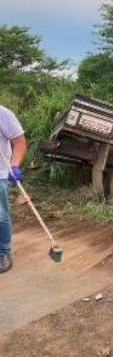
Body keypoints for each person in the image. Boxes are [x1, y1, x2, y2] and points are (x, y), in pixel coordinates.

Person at [0, 104, 27, 273]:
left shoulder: (3, 114)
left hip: (0, 173)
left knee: (0, 215)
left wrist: (15, 165)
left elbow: (19, 141)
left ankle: (3, 252)